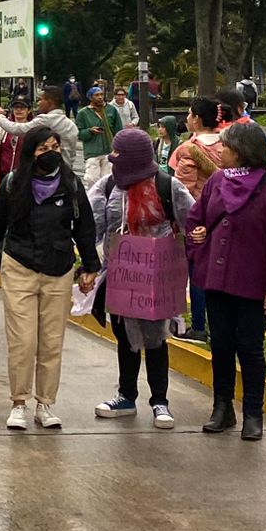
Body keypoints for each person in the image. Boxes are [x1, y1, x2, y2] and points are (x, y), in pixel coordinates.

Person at [0, 126, 100, 432]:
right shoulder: (13, 184)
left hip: (58, 269)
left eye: (55, 147)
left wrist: (90, 266)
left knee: (51, 342)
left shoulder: (71, 184)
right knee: (23, 341)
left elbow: (84, 228)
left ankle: (45, 404)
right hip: (19, 265)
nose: (50, 153)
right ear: (30, 151)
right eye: (43, 148)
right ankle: (18, 403)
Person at [187, 121, 266, 441]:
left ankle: (253, 413)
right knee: (220, 346)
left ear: (242, 151)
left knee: (250, 348)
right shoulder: (217, 181)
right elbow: (197, 218)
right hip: (216, 281)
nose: (220, 151)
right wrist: (197, 236)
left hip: (253, 284)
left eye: (226, 146)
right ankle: (222, 408)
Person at [89, 128, 194, 430]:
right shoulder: (107, 187)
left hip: (157, 277)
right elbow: (92, 225)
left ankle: (160, 401)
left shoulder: (167, 186)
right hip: (120, 275)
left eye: (118, 156)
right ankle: (126, 395)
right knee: (125, 336)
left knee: (157, 339)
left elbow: (192, 220)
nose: (114, 162)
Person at [168, 97, 223, 341]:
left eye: (189, 115)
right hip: (224, 218)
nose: (187, 119)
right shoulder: (228, 145)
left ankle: (199, 326)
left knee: (198, 274)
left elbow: (182, 191)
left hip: (199, 220)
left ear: (197, 119)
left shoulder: (189, 150)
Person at [0, 85, 82, 175]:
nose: (38, 103)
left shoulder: (46, 120)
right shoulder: (71, 125)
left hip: (47, 173)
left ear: (49, 102)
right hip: (66, 173)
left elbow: (18, 129)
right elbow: (72, 155)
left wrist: (0, 118)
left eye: (40, 99)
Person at [76, 87, 124, 187]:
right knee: (91, 179)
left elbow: (119, 130)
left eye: (101, 94)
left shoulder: (111, 110)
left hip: (108, 150)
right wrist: (89, 131)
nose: (100, 97)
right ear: (90, 97)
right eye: (96, 95)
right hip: (92, 151)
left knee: (108, 180)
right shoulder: (83, 113)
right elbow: (79, 133)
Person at [0, 96, 32, 178]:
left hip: (24, 177)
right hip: (3, 176)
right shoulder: (2, 128)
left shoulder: (33, 130)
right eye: (16, 107)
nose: (18, 110)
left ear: (29, 110)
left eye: (22, 107)